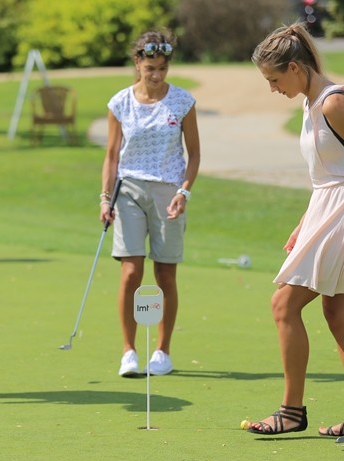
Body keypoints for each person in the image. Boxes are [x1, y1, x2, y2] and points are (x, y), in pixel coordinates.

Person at [244, 23, 344, 438]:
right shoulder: (312, 104)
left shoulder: (333, 104)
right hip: (328, 209)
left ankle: (291, 411)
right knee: (337, 312)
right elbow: (327, 174)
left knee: (283, 305)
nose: (272, 89)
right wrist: (304, 224)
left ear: (295, 67)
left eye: (274, 80)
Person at [100, 30, 200, 377]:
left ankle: (163, 352)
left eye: (162, 68)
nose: (156, 75)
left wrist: (183, 191)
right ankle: (128, 352)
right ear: (137, 63)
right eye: (149, 68)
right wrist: (105, 197)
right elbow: (112, 155)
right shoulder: (120, 103)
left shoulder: (183, 102)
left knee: (165, 274)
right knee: (131, 272)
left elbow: (195, 154)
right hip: (128, 190)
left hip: (168, 191)